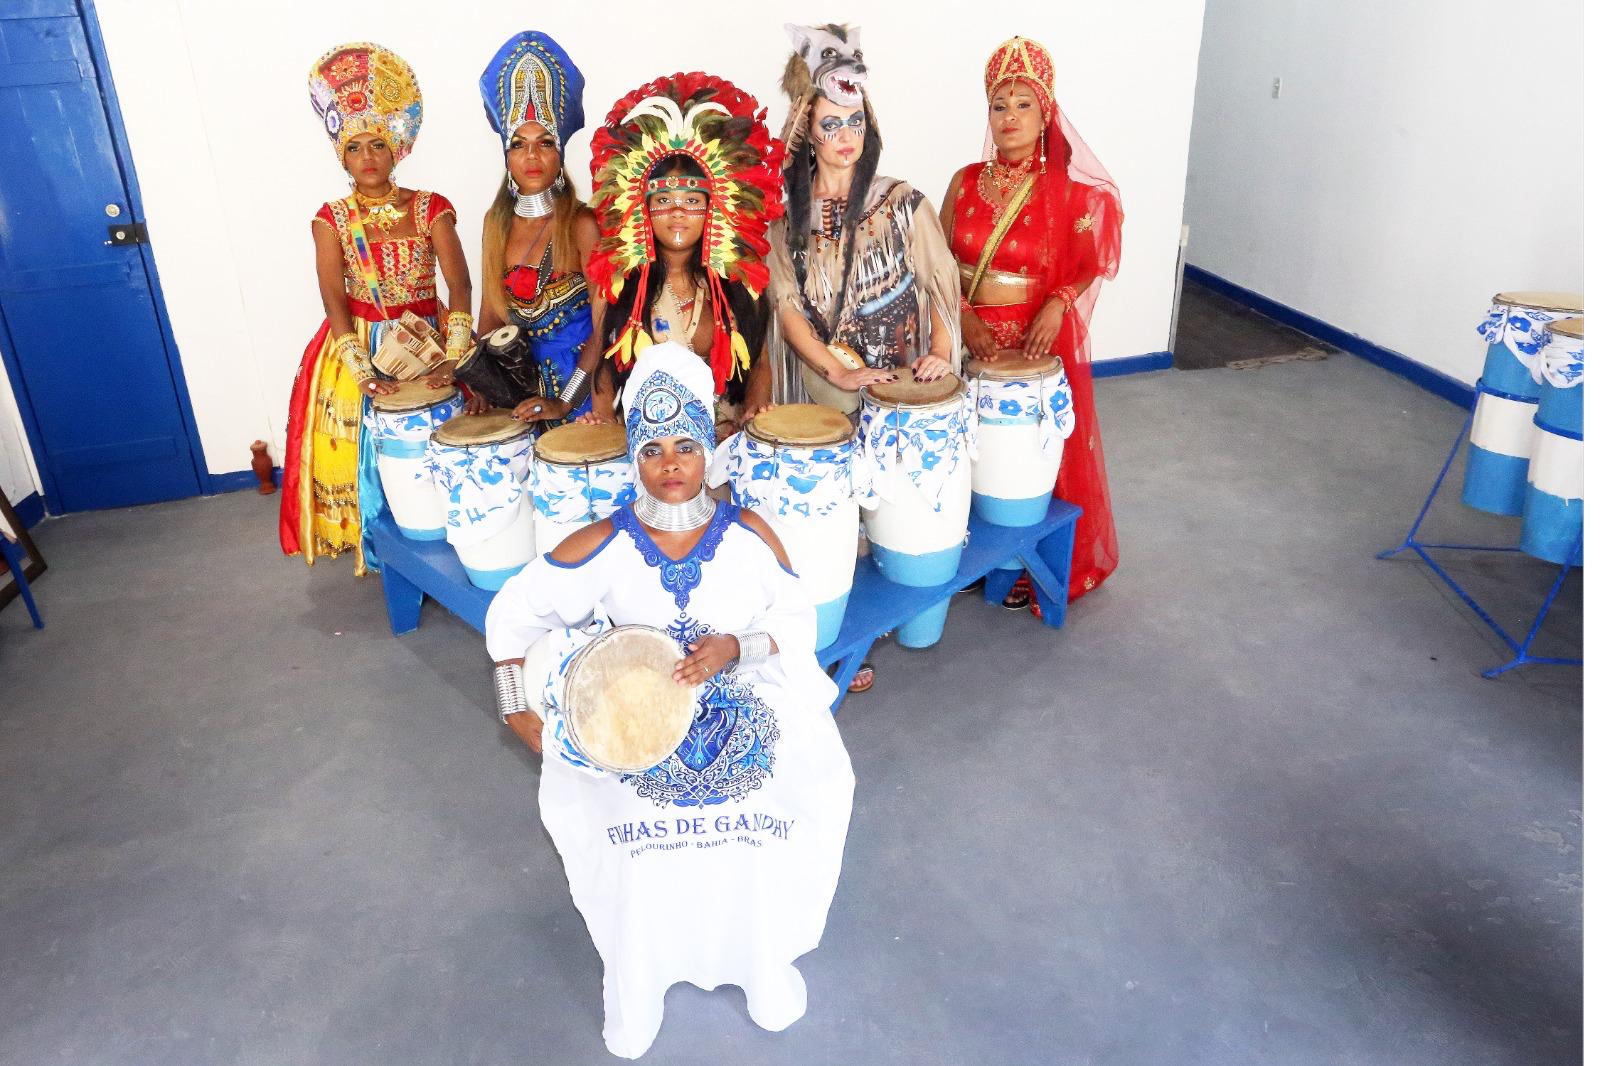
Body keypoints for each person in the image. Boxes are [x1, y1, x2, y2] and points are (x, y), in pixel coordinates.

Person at [485, 343, 855, 1059]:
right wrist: (515, 709)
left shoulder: (748, 534)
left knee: (761, 826)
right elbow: (513, 619)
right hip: (636, 726)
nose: (671, 464)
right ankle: (640, 987)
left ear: (708, 448)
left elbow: (797, 621)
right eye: (652, 450)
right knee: (640, 850)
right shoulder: (603, 543)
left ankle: (760, 969)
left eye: (686, 445)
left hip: (740, 712)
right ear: (634, 457)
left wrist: (736, 647)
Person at [940, 36, 1123, 605]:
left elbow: (1093, 258)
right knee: (966, 453)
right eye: (1000, 105)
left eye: (1024, 104)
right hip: (966, 339)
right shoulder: (964, 181)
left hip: (1032, 340)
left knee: (1024, 459)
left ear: (1046, 115)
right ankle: (967, 553)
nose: (1010, 117)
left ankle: (1026, 565)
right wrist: (963, 316)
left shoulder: (1067, 194)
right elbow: (938, 262)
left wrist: (1059, 300)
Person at [280, 42, 472, 574]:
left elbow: (459, 285)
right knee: (366, 447)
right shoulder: (331, 219)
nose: (368, 157)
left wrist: (453, 356)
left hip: (430, 338)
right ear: (342, 156)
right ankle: (382, 547)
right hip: (358, 339)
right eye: (355, 147)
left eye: (379, 144)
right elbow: (333, 297)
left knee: (439, 442)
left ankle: (445, 535)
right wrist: (361, 370)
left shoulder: (431, 207)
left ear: (397, 150)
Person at [765, 22, 962, 414]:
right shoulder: (784, 224)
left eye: (855, 122)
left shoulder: (902, 202)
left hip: (900, 393)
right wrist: (838, 374)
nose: (846, 136)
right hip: (823, 394)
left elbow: (941, 282)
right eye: (831, 125)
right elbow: (787, 310)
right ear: (808, 131)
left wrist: (940, 353)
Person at [584, 73, 785, 439]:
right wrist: (602, 425)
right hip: (650, 449)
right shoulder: (617, 286)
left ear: (714, 208)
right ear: (643, 209)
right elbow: (603, 368)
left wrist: (754, 414)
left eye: (692, 201)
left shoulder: (738, 282)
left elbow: (758, 364)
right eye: (664, 200)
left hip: (725, 441)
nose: (677, 212)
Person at [473, 32, 599, 428]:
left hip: (583, 394)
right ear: (506, 156)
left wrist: (564, 401)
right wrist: (481, 381)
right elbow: (490, 315)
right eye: (518, 144)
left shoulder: (582, 225)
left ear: (559, 153)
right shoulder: (495, 224)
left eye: (544, 143)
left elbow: (605, 323)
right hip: (520, 390)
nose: (531, 155)